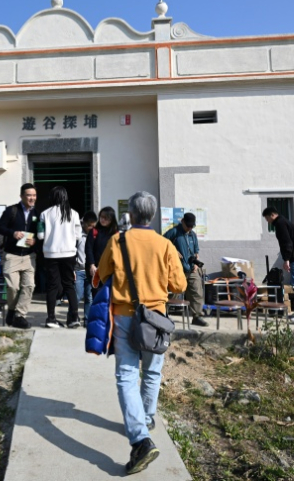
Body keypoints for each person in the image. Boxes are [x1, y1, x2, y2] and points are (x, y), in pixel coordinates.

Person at [98, 191, 186, 475]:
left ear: (132, 215)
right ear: (153, 215)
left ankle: (140, 439)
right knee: (151, 373)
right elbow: (180, 284)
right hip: (157, 318)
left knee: (126, 375)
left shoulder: (117, 240)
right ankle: (146, 418)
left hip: (124, 315)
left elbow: (100, 273)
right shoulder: (165, 244)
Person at [38, 186, 82, 328]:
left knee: (52, 286)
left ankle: (51, 318)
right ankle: (74, 318)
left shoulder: (44, 214)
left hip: (51, 254)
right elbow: (78, 235)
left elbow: (40, 235)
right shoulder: (74, 214)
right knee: (69, 285)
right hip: (69, 253)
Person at [0, 184, 39, 329]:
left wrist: (35, 241)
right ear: (21, 196)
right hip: (12, 256)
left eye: (34, 195)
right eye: (29, 195)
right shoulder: (11, 211)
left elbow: (41, 235)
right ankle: (12, 310)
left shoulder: (37, 215)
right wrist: (13, 233)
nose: (32, 198)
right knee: (12, 287)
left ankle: (20, 316)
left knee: (29, 286)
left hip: (29, 256)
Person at [262, 206, 294, 321]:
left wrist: (286, 259)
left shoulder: (280, 224)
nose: (267, 221)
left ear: (272, 215)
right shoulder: (284, 221)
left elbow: (286, 243)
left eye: (266, 218)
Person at [163, 212, 209, 327]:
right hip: (177, 270)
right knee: (172, 293)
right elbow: (162, 244)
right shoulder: (174, 232)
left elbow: (196, 251)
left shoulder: (192, 235)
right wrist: (173, 251)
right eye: (188, 225)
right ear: (182, 221)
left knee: (196, 292)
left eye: (191, 226)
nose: (189, 228)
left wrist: (196, 264)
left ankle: (197, 316)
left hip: (191, 269)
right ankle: (163, 314)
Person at [86, 206, 119, 297]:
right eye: (101, 217)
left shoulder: (116, 234)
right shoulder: (94, 231)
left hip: (111, 270)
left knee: (110, 296)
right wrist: (91, 264)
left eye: (106, 218)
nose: (103, 220)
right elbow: (89, 249)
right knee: (97, 295)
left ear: (111, 219)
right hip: (96, 270)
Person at [76, 211, 97, 325]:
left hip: (90, 271)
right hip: (78, 270)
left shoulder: (95, 235)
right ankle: (74, 317)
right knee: (77, 295)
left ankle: (87, 319)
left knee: (89, 297)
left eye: (93, 226)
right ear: (83, 223)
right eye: (89, 225)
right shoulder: (77, 235)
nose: (91, 228)